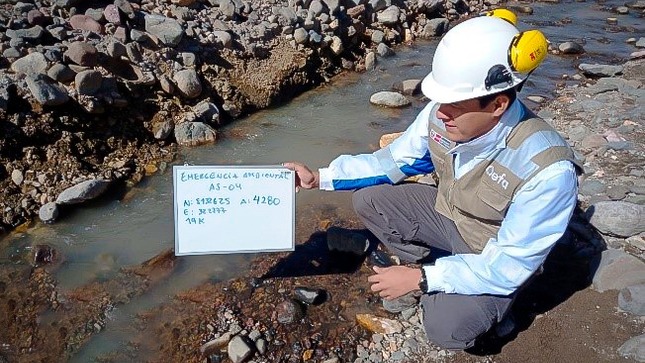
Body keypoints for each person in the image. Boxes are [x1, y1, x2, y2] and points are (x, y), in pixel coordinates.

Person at [284, 10, 582, 350]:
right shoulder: (442, 114)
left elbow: (509, 264)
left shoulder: (547, 170)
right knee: (368, 199)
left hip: (494, 251)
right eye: (440, 100)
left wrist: (423, 279)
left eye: (454, 104)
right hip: (450, 218)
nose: (440, 113)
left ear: (499, 103)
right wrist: (319, 178)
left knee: (446, 330)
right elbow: (391, 162)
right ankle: (440, 268)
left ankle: (497, 306)